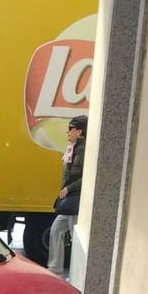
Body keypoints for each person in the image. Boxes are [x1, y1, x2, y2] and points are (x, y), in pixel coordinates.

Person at [48, 114, 87, 273]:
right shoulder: (73, 148)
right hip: (69, 200)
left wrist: (68, 189)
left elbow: (84, 177)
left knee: (75, 237)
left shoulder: (83, 150)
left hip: (75, 200)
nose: (67, 132)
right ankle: (55, 268)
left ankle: (77, 274)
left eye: (70, 129)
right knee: (56, 229)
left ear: (79, 132)